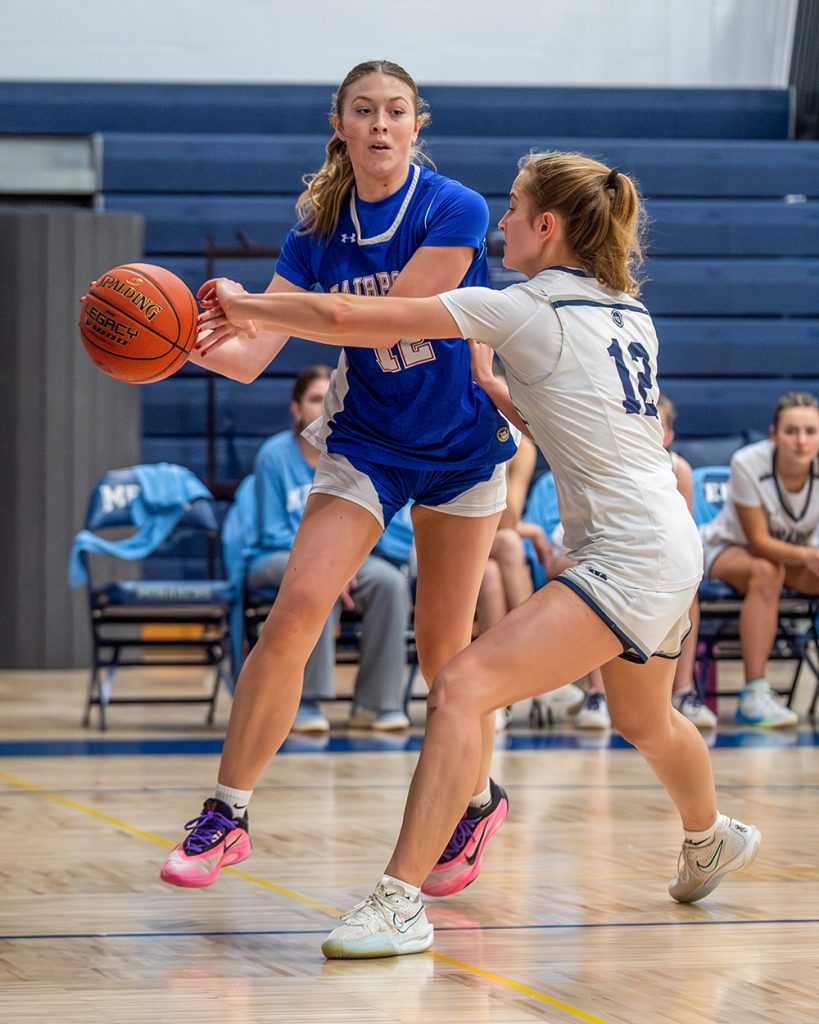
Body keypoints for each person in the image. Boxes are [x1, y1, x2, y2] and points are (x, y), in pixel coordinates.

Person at [198, 150, 762, 957]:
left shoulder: (522, 307)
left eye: (515, 208)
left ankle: (397, 902)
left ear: (547, 225)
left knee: (459, 687)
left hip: (625, 555)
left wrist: (245, 302)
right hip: (668, 542)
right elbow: (565, 414)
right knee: (644, 718)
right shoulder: (626, 311)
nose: (500, 222)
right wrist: (495, 386)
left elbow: (353, 321)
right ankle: (709, 836)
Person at [159, 60, 517, 893]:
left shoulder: (453, 207)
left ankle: (476, 803)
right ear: (341, 126)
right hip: (367, 442)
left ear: (416, 124)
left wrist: (251, 303)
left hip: (461, 446)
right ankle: (226, 815)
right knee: (294, 613)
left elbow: (374, 319)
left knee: (446, 653)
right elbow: (250, 358)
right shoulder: (318, 228)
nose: (380, 124)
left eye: (395, 110)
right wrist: (176, 337)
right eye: (364, 110)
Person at [247, 365, 411, 733]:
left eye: (329, 398)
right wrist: (327, 563)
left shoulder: (356, 452)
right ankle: (304, 701)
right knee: (315, 582)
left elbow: (377, 523)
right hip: (277, 557)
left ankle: (376, 704)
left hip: (349, 559)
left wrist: (343, 562)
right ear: (296, 408)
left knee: (389, 583)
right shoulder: (274, 456)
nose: (323, 407)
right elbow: (271, 532)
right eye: (314, 399)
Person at [699, 392, 819, 728]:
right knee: (766, 571)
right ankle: (753, 694)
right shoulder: (748, 462)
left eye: (810, 431)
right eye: (792, 431)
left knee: (775, 569)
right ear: (774, 435)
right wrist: (808, 555)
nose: (801, 441)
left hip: (791, 558)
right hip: (727, 548)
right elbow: (758, 542)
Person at [658, 395, 716, 729]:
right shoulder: (615, 460)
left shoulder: (679, 469)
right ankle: (599, 695)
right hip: (616, 558)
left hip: (663, 557)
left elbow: (684, 533)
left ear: (669, 435)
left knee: (687, 589)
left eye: (658, 426)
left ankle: (683, 690)